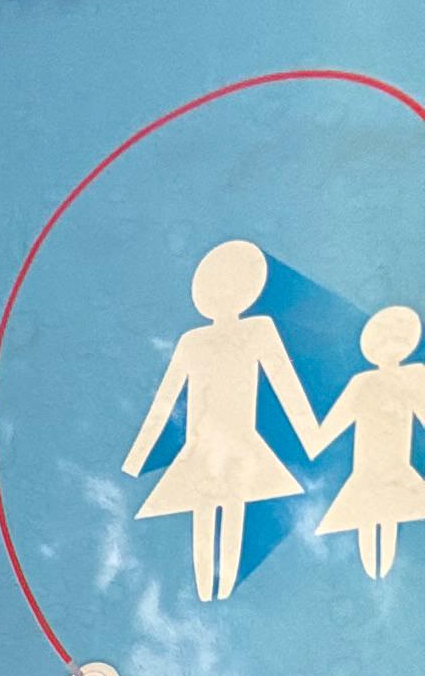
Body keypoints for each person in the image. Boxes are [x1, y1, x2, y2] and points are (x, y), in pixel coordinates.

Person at [122, 237, 322, 605]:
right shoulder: (193, 342)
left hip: (240, 440)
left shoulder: (258, 330)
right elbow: (166, 400)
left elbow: (284, 383)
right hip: (203, 444)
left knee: (231, 506)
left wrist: (312, 437)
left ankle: (223, 582)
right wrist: (137, 459)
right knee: (203, 509)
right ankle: (207, 586)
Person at [311, 301, 425, 582]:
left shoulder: (413, 376)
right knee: (367, 513)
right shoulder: (362, 383)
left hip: (396, 467)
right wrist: (312, 438)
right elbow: (332, 426)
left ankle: (380, 570)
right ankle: (375, 571)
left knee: (388, 512)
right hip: (365, 470)